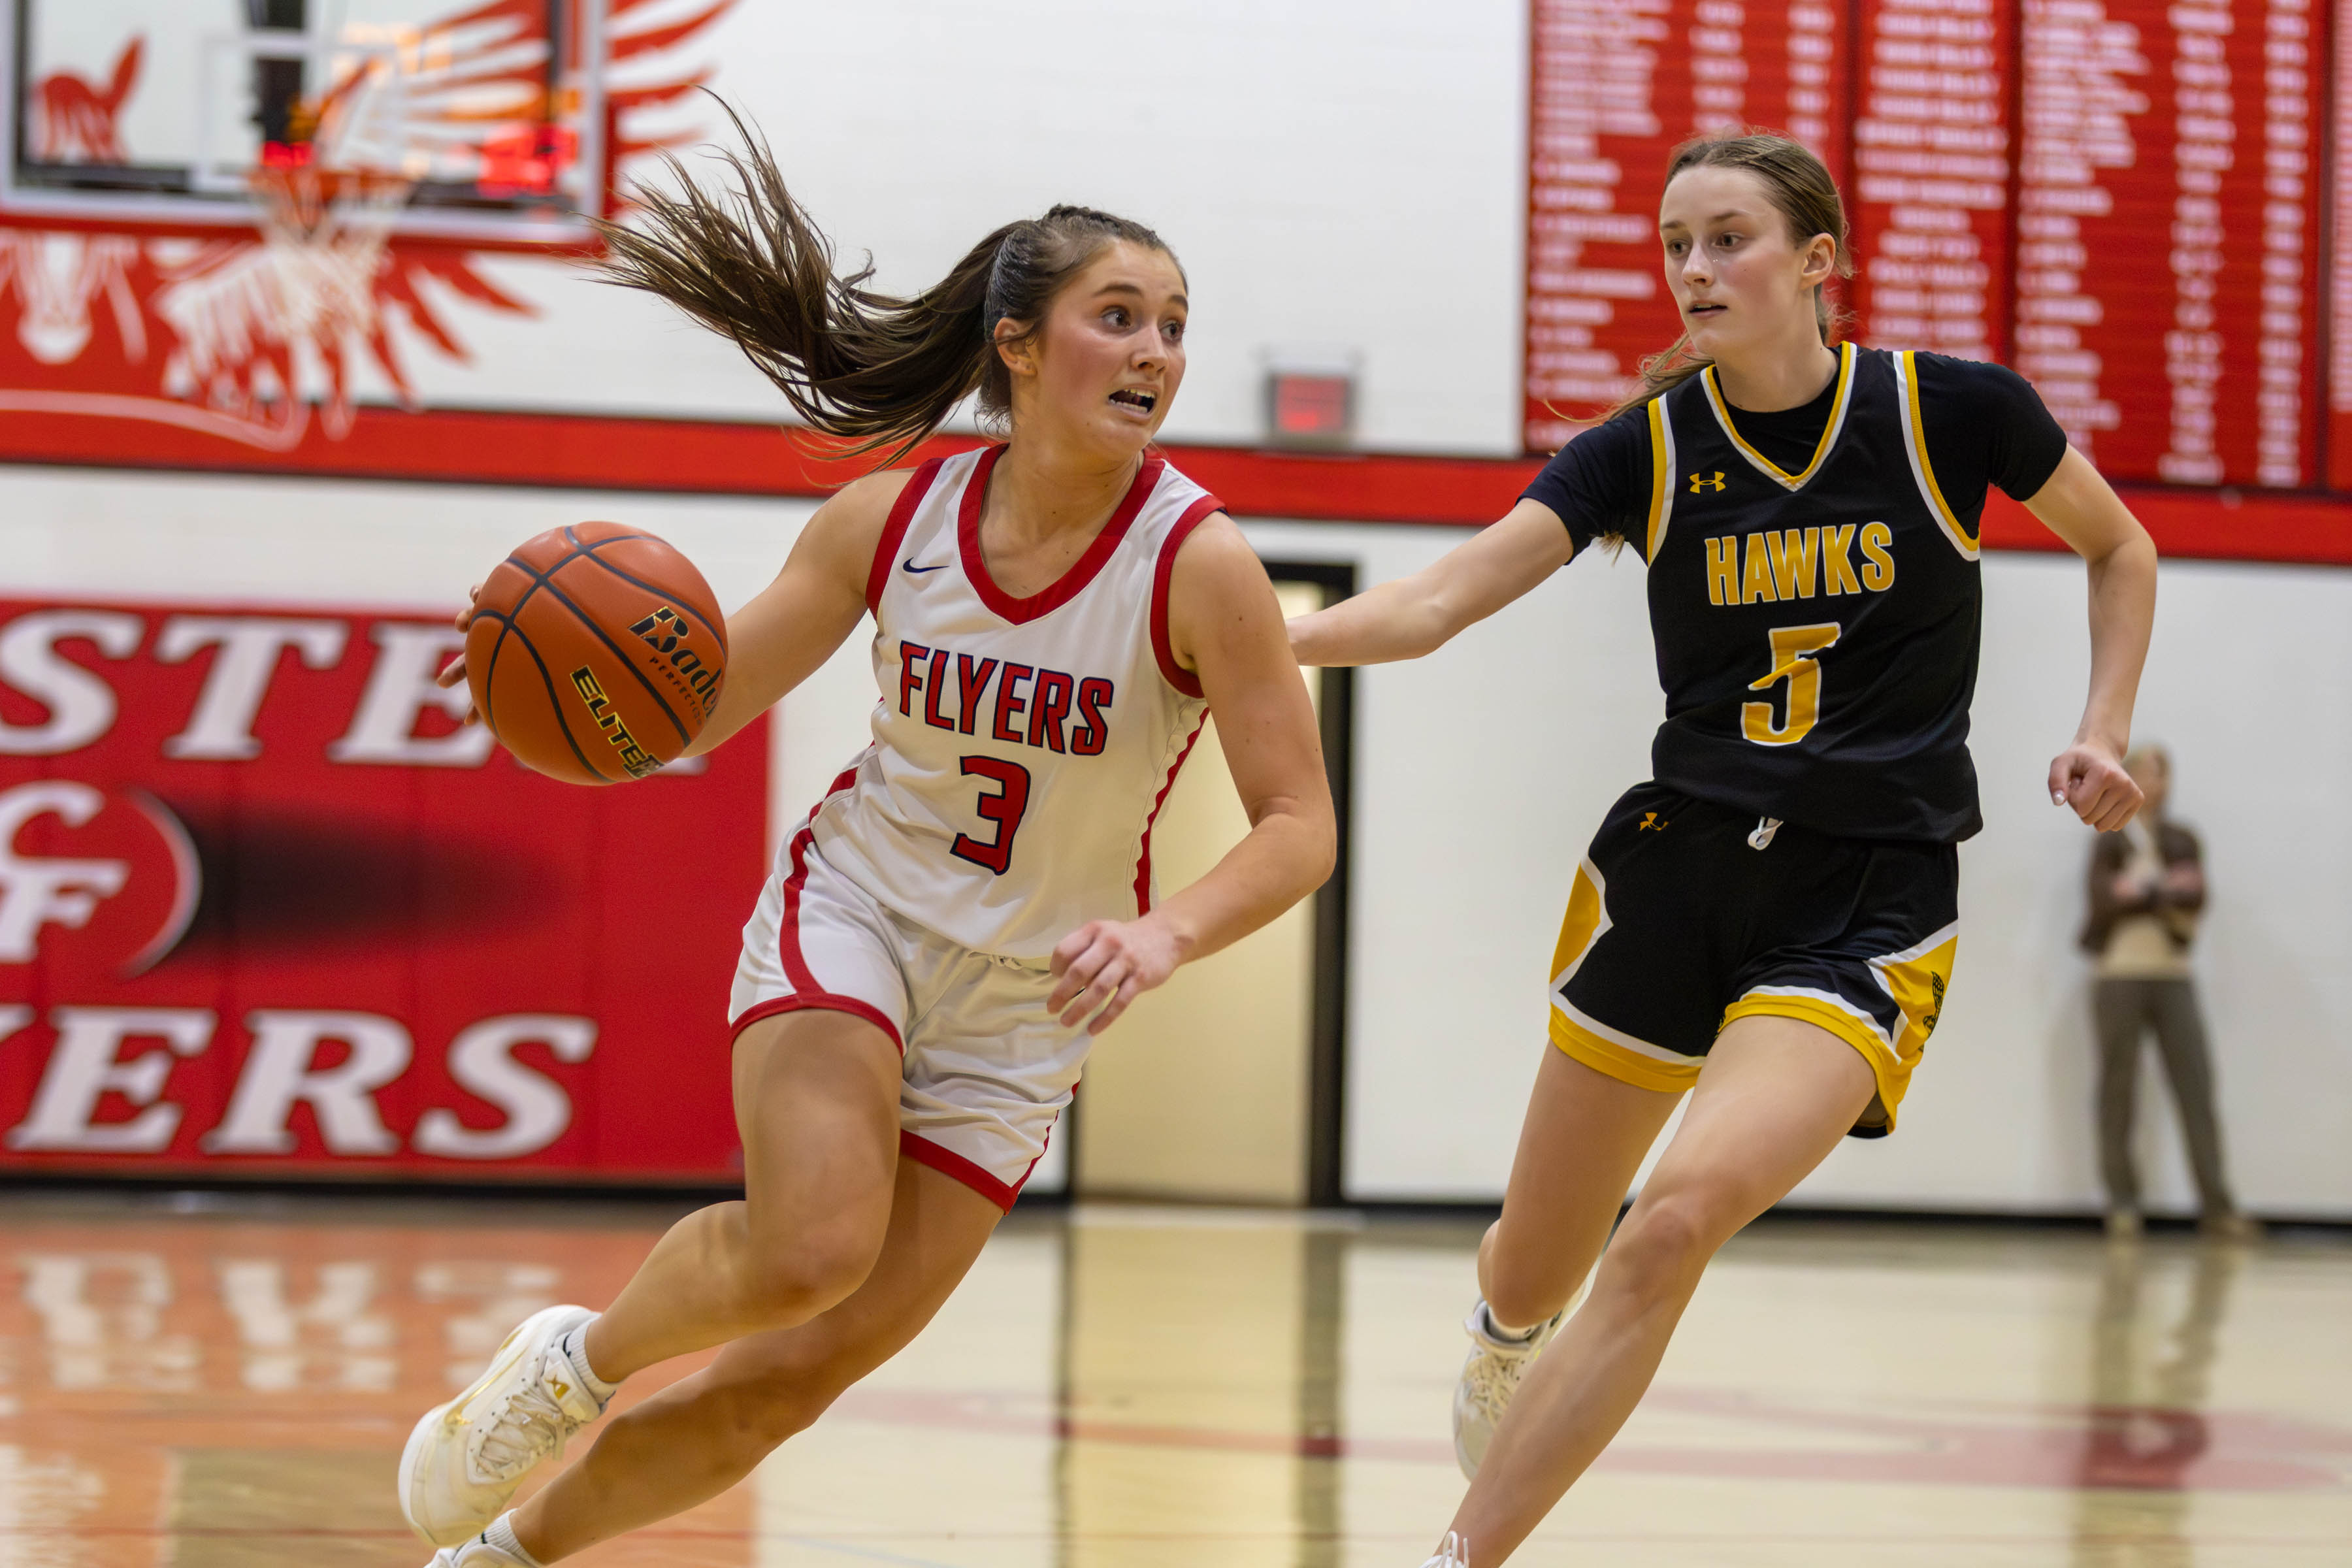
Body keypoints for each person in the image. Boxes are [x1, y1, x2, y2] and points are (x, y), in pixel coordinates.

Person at [398, 123, 1335, 1568]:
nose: (1157, 351)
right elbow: (692, 711)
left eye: (1174, 329)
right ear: (1019, 347)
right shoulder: (889, 521)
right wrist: (557, 687)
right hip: (863, 917)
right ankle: (572, 1364)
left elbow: (1299, 827)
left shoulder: (1202, 565)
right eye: (1120, 318)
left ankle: (508, 1556)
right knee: (810, 1244)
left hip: (1024, 1015)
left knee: (785, 1385)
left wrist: (1166, 933)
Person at [1285, 131, 2156, 1567]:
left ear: (1820, 264)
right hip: (1678, 868)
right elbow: (1441, 599)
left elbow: (2121, 547)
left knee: (1673, 1223)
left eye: (1730, 237)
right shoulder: (1648, 448)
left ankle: (1459, 1554)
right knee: (1533, 1260)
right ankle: (1507, 1332)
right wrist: (1260, 650)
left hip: (1868, 896)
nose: (1695, 268)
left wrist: (2105, 724)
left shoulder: (1954, 414)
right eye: (1677, 241)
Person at [2079, 745, 2251, 1241]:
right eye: (2148, 773)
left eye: (2163, 773)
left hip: (2173, 973)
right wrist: (2160, 891)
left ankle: (2217, 1208)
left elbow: (2196, 896)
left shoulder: (2181, 838)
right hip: (2119, 975)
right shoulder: (2109, 835)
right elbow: (2101, 899)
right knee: (2118, 1091)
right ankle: (2123, 1206)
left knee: (2195, 1087)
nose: (2157, 783)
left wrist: (2141, 890)